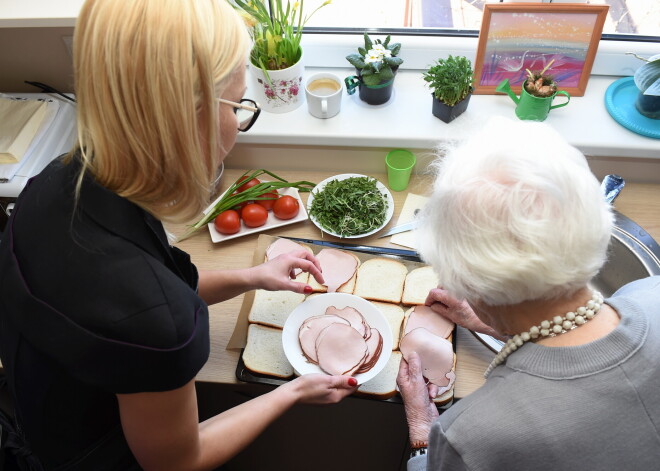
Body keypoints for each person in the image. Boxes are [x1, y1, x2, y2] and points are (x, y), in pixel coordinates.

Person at [0, 0, 358, 469]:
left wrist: (252, 276)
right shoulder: (156, 322)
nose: (239, 124)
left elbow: (153, 293)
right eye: (239, 104)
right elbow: (178, 461)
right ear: (187, 120)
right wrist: (291, 392)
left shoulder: (57, 182)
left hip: (43, 420)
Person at [397, 117, 660, 470]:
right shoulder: (651, 290)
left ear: (468, 283)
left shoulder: (470, 435)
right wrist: (503, 327)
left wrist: (422, 435)